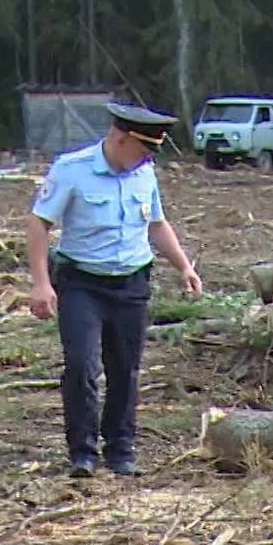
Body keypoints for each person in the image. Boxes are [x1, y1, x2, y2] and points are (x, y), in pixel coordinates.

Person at [27, 102, 202, 478]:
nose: (146, 160)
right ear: (120, 139)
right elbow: (39, 223)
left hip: (131, 283)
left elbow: (156, 224)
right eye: (142, 151)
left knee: (126, 370)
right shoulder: (72, 170)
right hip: (82, 284)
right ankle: (82, 453)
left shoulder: (144, 173)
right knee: (82, 366)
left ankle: (120, 449)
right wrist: (41, 284)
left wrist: (184, 266)